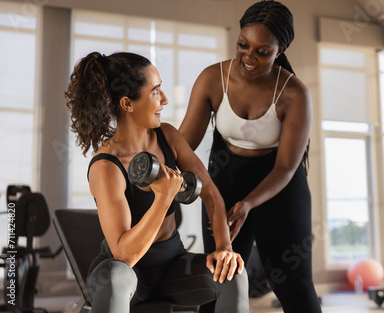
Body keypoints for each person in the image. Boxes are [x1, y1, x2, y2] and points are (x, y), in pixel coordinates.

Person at [64, 51, 249, 313]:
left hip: (172, 267)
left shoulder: (168, 137)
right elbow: (124, 255)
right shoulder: (106, 165)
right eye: (155, 91)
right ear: (127, 103)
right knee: (116, 275)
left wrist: (224, 249)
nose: (164, 99)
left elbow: (211, 195)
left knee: (233, 273)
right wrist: (162, 198)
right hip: (124, 276)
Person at [179, 0, 322, 312]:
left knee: (291, 281)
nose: (249, 57)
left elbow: (286, 166)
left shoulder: (294, 93)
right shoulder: (213, 79)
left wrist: (248, 204)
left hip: (279, 183)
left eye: (263, 51)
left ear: (280, 49)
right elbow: (182, 146)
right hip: (226, 178)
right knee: (218, 277)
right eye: (243, 45)